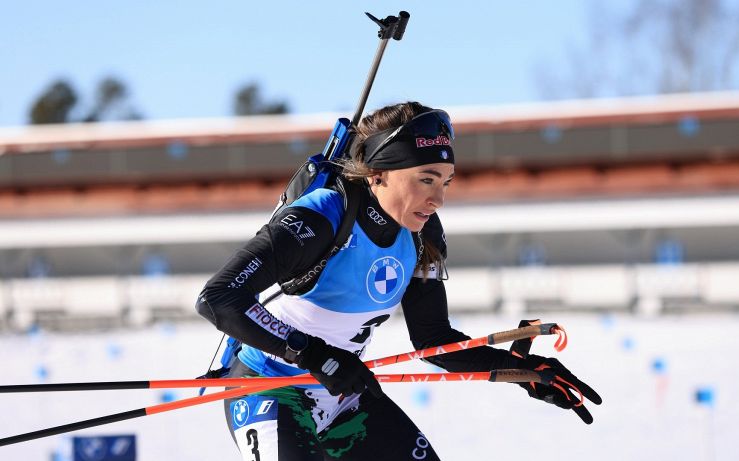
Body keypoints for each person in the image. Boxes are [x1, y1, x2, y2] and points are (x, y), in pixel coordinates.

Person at [196, 102, 601, 461]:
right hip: (268, 390)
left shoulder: (423, 234)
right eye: (426, 179)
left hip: (345, 395)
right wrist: (314, 355)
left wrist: (520, 369)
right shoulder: (322, 217)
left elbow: (433, 341)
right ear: (379, 173)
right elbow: (219, 298)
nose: (438, 198)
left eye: (446, 181)